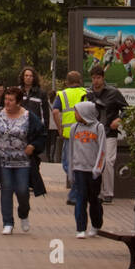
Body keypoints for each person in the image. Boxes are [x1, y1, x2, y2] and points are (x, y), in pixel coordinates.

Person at [0, 84, 46, 235]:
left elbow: (41, 134)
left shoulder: (29, 116)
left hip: (23, 161)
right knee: (6, 189)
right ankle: (8, 222)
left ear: (18, 102)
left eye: (11, 100)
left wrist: (33, 145)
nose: (7, 103)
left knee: (22, 190)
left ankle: (23, 213)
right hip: (3, 160)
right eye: (6, 99)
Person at [86, 64, 127, 203]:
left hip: (109, 131)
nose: (96, 81)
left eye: (98, 78)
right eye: (93, 78)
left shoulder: (113, 92)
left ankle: (108, 192)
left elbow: (126, 109)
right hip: (93, 133)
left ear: (103, 78)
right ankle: (95, 191)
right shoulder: (88, 94)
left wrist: (119, 119)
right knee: (93, 161)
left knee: (108, 161)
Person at [69, 99, 107, 239]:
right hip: (79, 169)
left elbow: (102, 149)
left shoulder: (98, 128)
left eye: (77, 112)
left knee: (94, 199)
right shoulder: (75, 128)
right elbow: (71, 150)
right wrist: (71, 170)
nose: (75, 114)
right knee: (80, 198)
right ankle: (80, 228)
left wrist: (98, 168)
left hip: (93, 171)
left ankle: (96, 225)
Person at [52, 71, 86, 205]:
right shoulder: (86, 93)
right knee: (80, 163)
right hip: (83, 134)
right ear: (80, 81)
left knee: (67, 163)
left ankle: (75, 193)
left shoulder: (62, 94)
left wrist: (59, 128)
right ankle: (77, 192)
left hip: (68, 135)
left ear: (67, 82)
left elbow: (55, 112)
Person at [19, 66, 49, 197]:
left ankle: (32, 181)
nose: (28, 78)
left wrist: (44, 128)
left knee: (33, 156)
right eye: (26, 76)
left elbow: (44, 113)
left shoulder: (40, 94)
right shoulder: (18, 92)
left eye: (30, 76)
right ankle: (26, 180)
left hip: (35, 130)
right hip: (20, 129)